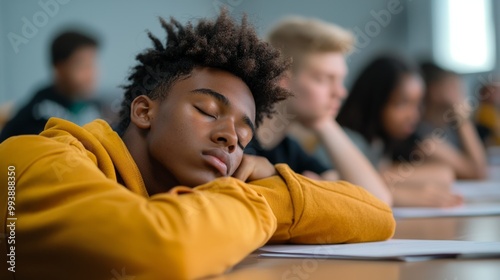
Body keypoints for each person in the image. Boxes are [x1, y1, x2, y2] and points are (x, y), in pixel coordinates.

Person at [0, 11, 395, 280]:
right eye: (207, 110)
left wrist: (275, 178)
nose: (231, 137)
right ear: (143, 111)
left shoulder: (178, 191)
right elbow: (162, 247)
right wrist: (262, 198)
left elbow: (377, 215)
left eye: (245, 135)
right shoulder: (31, 160)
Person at [245, 16, 392, 205]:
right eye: (324, 79)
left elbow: (378, 202)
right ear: (283, 81)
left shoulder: (289, 151)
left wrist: (324, 124)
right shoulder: (237, 143)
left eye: (340, 80)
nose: (341, 92)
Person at [333, 55, 463, 207]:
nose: (413, 115)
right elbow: (333, 182)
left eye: (417, 104)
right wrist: (394, 193)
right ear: (375, 101)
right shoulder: (348, 140)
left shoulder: (379, 142)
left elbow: (444, 175)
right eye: (402, 103)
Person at [0, 30, 101, 142]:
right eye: (81, 66)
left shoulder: (91, 106)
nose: (90, 75)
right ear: (59, 68)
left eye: (92, 64)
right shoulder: (39, 110)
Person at [418, 62, 487, 179]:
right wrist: (463, 119)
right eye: (454, 87)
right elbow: (478, 171)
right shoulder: (421, 134)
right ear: (434, 91)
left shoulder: (449, 126)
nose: (462, 95)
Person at [475, 78, 500, 146]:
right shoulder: (485, 110)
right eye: (496, 92)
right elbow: (497, 132)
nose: (498, 95)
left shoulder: (493, 109)